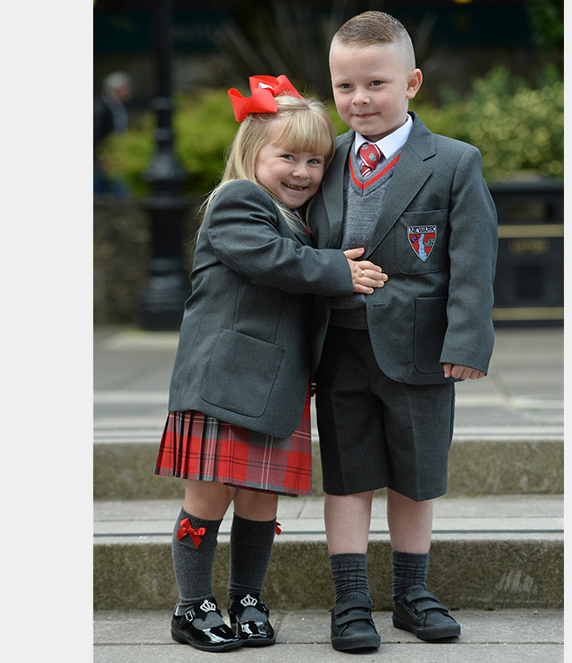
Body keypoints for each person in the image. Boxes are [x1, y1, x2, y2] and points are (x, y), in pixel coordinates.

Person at [153, 74, 388, 653]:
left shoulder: (299, 220)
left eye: (316, 160)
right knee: (208, 496)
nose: (303, 172)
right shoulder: (239, 202)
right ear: (252, 153)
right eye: (288, 157)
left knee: (260, 500)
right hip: (223, 380)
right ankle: (193, 605)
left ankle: (248, 598)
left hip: (275, 387)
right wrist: (338, 269)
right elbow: (271, 261)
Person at [307, 11, 499, 651]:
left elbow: (473, 261)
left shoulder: (452, 163)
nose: (358, 100)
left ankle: (414, 596)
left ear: (411, 82)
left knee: (415, 476)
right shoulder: (323, 160)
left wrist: (467, 342)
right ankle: (351, 601)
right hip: (338, 347)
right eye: (344, 87)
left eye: (375, 84)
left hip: (419, 350)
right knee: (347, 474)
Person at [93, 71, 132, 197]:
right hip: (105, 158)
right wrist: (100, 156)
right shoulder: (101, 108)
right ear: (116, 89)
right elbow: (96, 133)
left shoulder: (118, 106)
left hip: (115, 155)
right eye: (125, 88)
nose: (128, 92)